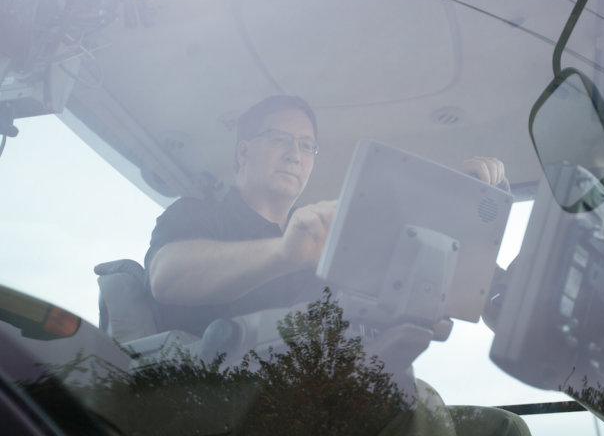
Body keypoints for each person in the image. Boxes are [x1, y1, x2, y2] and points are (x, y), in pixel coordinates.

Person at [145, 95, 507, 335]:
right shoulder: (199, 215)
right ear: (243, 152)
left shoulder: (333, 233)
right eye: (278, 138)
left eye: (306, 146)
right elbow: (167, 277)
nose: (294, 154)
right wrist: (284, 253)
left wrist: (462, 207)